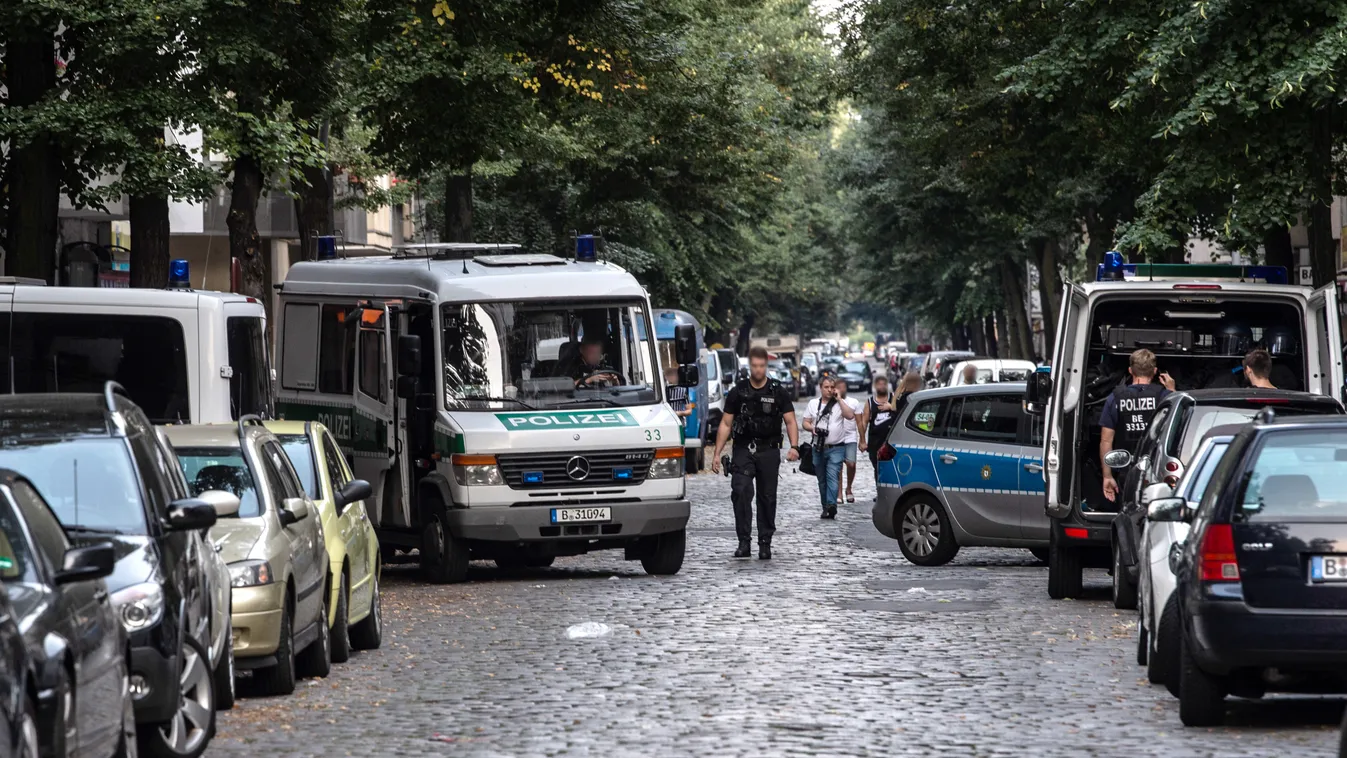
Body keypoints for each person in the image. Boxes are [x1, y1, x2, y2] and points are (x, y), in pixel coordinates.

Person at [710, 346, 800, 559]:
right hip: (743, 448)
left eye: (761, 366)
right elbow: (725, 423)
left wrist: (794, 447)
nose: (758, 370)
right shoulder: (738, 392)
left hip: (768, 450)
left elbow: (790, 420)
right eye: (754, 366)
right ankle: (744, 541)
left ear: (765, 366)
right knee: (740, 491)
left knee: (767, 497)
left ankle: (765, 542)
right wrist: (716, 453)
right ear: (749, 366)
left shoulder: (777, 390)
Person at [1100, 349, 1175, 502]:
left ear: (1130, 370)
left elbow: (1106, 441)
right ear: (1154, 371)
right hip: (1158, 470)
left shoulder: (1114, 399)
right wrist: (1172, 390)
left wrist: (1107, 476)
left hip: (1127, 471)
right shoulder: (1166, 397)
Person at [801, 376, 857, 519]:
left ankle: (832, 505)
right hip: (818, 447)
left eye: (832, 387)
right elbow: (805, 422)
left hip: (837, 447)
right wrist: (812, 428)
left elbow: (850, 415)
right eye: (826, 387)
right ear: (820, 388)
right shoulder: (813, 404)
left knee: (832, 475)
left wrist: (839, 399)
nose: (829, 390)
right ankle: (825, 506)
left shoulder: (840, 403)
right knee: (821, 479)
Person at [859, 374, 896, 481]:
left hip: (891, 440)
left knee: (891, 467)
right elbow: (864, 422)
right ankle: (879, 490)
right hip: (875, 442)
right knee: (877, 467)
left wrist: (891, 407)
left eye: (884, 384)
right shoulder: (870, 402)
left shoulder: (893, 398)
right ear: (875, 386)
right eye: (879, 384)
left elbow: (903, 411)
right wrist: (862, 440)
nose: (882, 386)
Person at [834, 381, 863, 504]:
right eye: (839, 387)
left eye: (843, 387)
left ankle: (849, 488)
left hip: (850, 437)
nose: (841, 389)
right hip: (837, 438)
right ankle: (839, 492)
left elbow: (859, 422)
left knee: (851, 464)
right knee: (838, 466)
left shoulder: (854, 402)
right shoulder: (833, 403)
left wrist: (862, 439)